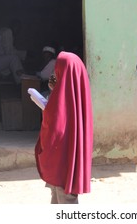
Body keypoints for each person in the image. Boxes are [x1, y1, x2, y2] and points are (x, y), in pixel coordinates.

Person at [35, 52, 93, 204]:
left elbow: (55, 126)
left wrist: (47, 108)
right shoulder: (73, 94)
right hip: (63, 162)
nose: (54, 73)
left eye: (57, 69)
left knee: (65, 199)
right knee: (57, 197)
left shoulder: (63, 97)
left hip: (62, 163)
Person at [0, 19, 27, 84]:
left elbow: (11, 50)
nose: (18, 30)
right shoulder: (7, 32)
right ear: (13, 26)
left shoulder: (4, 32)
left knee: (14, 60)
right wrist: (25, 55)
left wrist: (24, 54)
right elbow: (9, 51)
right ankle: (22, 83)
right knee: (14, 59)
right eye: (17, 27)